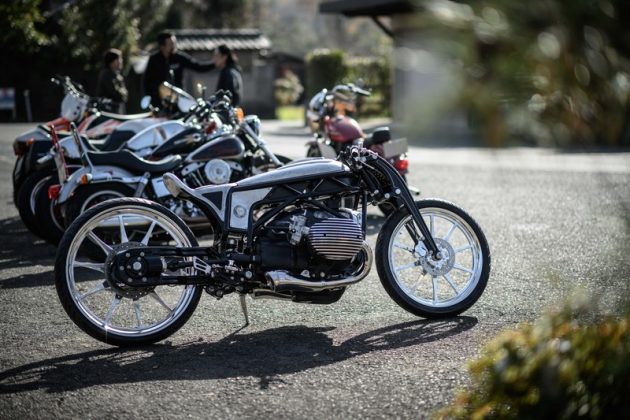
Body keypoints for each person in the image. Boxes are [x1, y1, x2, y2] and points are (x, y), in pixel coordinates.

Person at [143, 31, 216, 107]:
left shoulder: (179, 58)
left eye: (174, 43)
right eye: (170, 44)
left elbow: (197, 66)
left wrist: (214, 64)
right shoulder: (154, 59)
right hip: (158, 101)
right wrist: (149, 98)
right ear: (162, 46)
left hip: (178, 100)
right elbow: (146, 81)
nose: (173, 46)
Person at [96, 48, 128, 113]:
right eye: (118, 59)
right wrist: (122, 93)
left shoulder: (118, 76)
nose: (121, 61)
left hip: (117, 111)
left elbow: (125, 96)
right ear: (111, 61)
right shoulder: (106, 75)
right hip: (107, 111)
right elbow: (116, 94)